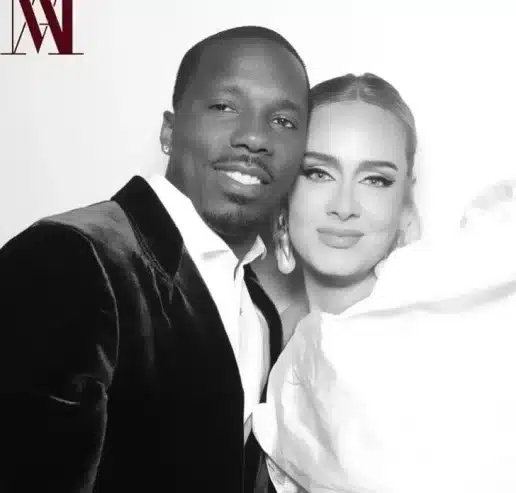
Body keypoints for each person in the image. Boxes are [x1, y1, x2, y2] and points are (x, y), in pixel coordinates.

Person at [0, 26, 310, 493]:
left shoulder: (261, 312)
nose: (254, 137)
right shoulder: (70, 258)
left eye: (283, 121)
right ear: (169, 130)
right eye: (224, 106)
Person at [252, 73, 516, 493]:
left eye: (375, 180)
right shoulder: (254, 346)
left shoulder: (466, 322)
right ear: (284, 188)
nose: (343, 206)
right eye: (318, 172)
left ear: (405, 201)